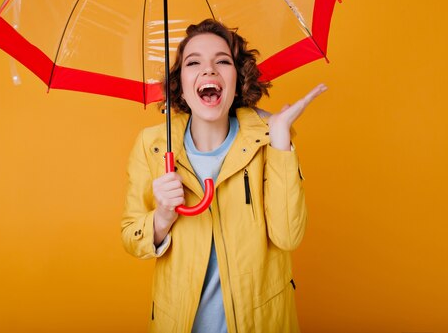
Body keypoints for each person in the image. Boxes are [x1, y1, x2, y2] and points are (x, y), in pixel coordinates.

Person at [121, 19, 327, 333]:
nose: (209, 70)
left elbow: (288, 235)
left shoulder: (267, 137)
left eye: (222, 61)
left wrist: (281, 138)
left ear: (238, 78)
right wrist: (161, 217)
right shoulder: (152, 145)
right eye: (193, 62)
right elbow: (131, 237)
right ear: (180, 84)